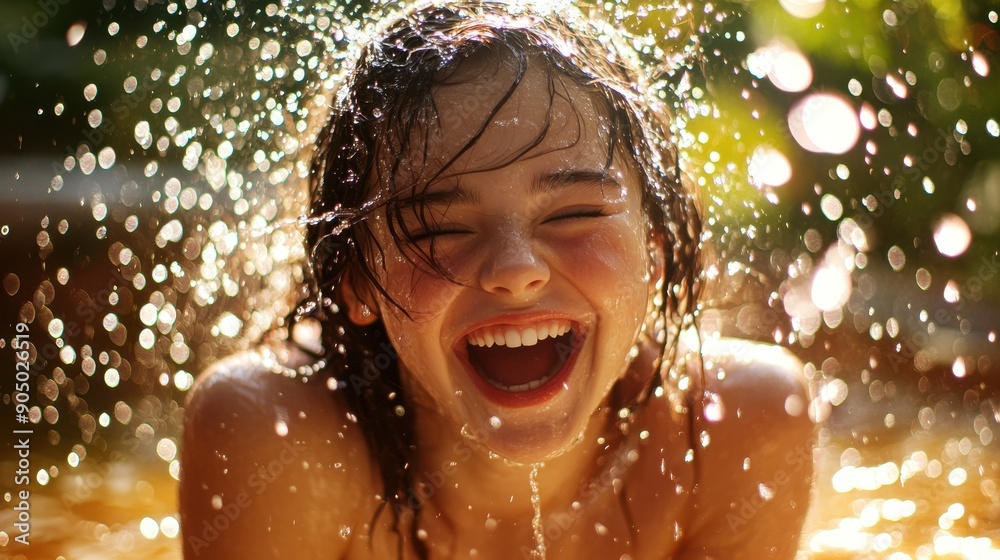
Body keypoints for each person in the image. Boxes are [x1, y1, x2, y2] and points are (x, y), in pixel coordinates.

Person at [179, 2, 814, 558]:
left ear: (656, 250)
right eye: (436, 229)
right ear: (357, 280)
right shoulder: (279, 442)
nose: (516, 270)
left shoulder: (734, 432)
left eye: (573, 215)